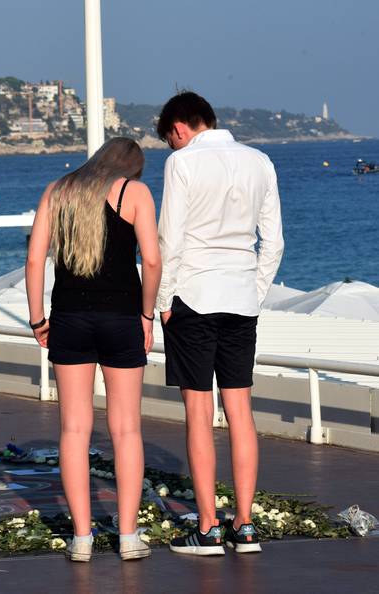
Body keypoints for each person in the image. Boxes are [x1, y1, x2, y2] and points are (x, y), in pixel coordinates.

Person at [156, 92, 284, 556]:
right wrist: (255, 289)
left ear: (179, 128)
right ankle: (245, 525)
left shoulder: (183, 163)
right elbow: (273, 242)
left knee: (198, 413)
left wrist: (162, 299)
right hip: (240, 295)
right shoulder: (260, 160)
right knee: (241, 411)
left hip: (193, 295)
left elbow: (169, 238)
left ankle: (208, 527)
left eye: (171, 139)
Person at [26, 137, 162, 562]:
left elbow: (34, 261)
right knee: (125, 429)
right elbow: (153, 262)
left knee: (73, 430)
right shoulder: (134, 193)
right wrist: (147, 315)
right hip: (122, 318)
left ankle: (82, 538)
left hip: (69, 319)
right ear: (131, 168)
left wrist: (37, 320)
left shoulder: (57, 191)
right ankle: (127, 535)